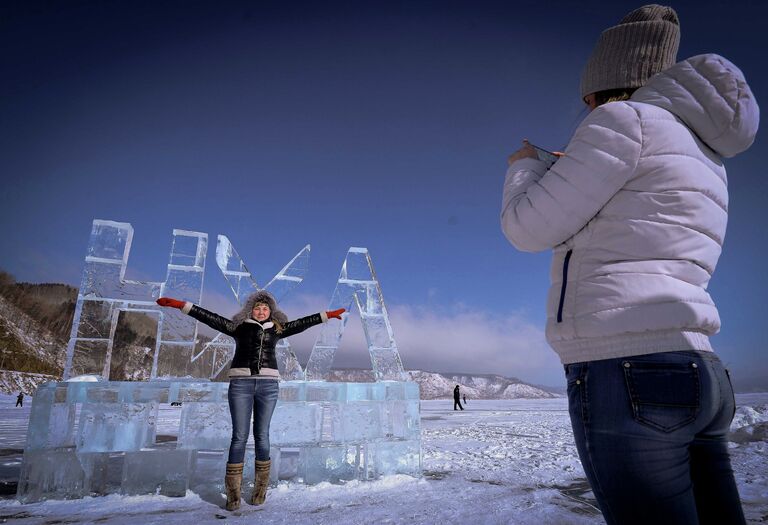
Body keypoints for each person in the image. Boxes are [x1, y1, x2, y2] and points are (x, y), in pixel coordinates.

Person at [500, 5, 758, 525]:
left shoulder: (623, 120)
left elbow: (527, 227)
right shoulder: (703, 151)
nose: (586, 109)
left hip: (627, 370)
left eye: (588, 98)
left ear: (607, 86)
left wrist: (525, 167)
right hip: (700, 369)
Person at [157, 291, 344, 511]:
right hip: (240, 384)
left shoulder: (278, 328)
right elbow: (209, 317)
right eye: (257, 308)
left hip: (268, 386)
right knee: (239, 436)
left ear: (271, 312)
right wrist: (182, 305)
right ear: (250, 310)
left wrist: (326, 315)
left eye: (265, 308)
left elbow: (303, 323)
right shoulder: (238, 327)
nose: (261, 311)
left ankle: (260, 489)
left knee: (262, 436)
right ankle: (233, 494)